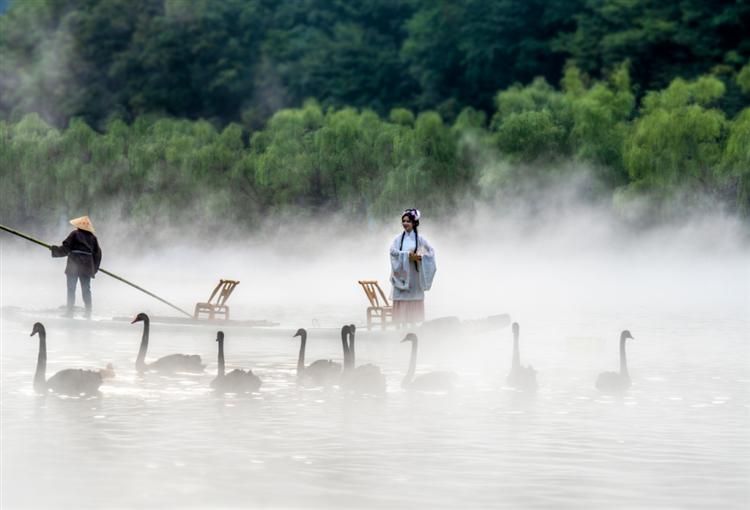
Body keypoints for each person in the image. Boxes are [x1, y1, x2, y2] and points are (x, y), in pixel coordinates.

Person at [389, 208, 436, 326]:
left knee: (413, 298)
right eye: (403, 221)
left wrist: (421, 257)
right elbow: (392, 252)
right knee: (402, 297)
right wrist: (406, 255)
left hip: (415, 275)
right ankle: (400, 327)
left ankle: (414, 326)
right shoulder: (398, 239)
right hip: (403, 275)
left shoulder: (420, 239)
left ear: (414, 223)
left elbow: (431, 252)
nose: (405, 223)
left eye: (408, 221)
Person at [50, 216, 102, 317]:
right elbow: (98, 255)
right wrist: (93, 268)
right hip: (86, 267)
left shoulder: (74, 234)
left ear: (79, 226)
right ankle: (88, 312)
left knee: (71, 288)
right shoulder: (93, 238)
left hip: (74, 264)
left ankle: (70, 312)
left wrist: (54, 250)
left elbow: (65, 249)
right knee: (86, 289)